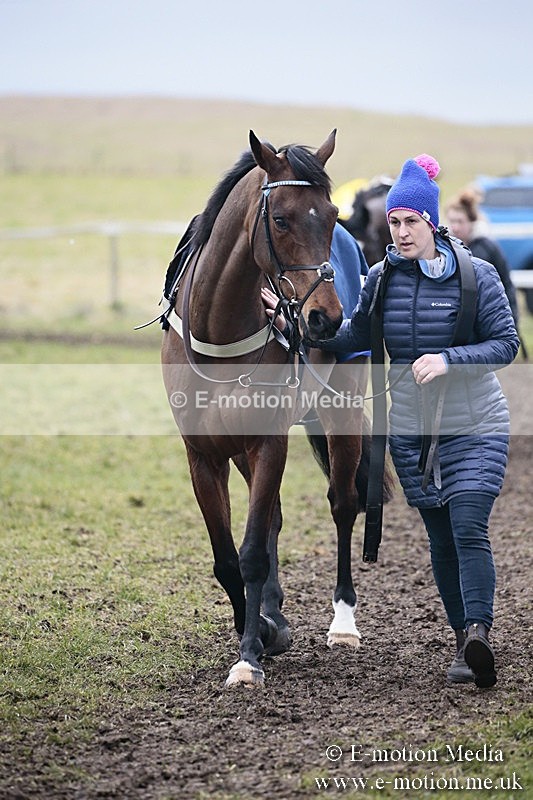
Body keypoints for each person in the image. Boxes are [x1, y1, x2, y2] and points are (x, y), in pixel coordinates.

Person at [262, 155, 520, 689]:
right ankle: (461, 641)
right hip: (410, 432)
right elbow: (351, 337)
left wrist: (450, 359)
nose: (400, 232)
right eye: (395, 222)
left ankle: (478, 631)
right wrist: (293, 325)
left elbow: (507, 344)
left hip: (476, 425)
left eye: (411, 223)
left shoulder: (479, 276)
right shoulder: (379, 279)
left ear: (432, 223)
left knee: (468, 526)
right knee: (442, 539)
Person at [446, 189, 520, 326]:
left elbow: (506, 285)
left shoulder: (488, 247)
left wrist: (512, 321)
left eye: (460, 221)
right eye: (452, 221)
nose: (455, 227)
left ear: (471, 221)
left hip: (489, 317)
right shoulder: (445, 250)